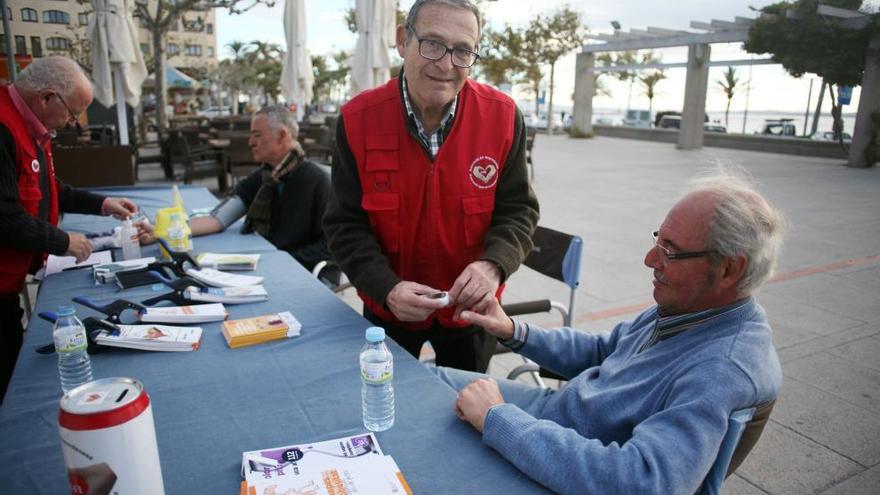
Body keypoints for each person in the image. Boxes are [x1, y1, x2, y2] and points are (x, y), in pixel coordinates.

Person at [439, 174, 785, 494]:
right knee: (431, 380)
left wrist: (499, 419)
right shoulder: (691, 309)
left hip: (563, 455)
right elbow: (603, 350)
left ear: (729, 269)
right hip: (552, 419)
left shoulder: (723, 368)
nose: (651, 260)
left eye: (671, 251)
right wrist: (514, 330)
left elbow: (642, 480)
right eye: (657, 241)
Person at [324, 0, 539, 373]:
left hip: (470, 312)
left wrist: (493, 265)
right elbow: (344, 224)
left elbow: (519, 211)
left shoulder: (502, 117)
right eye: (433, 44)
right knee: (387, 409)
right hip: (388, 310)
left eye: (463, 50)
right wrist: (386, 288)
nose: (446, 64)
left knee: (468, 412)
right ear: (403, 41)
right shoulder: (357, 119)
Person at [0, 57, 139, 403]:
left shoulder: (30, 127)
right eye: (72, 114)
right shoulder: (3, 128)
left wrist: (103, 204)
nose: (74, 124)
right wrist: (62, 241)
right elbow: (4, 217)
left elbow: (49, 189)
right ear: (47, 98)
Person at [151, 105, 332, 273]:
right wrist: (158, 232)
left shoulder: (319, 181)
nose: (250, 142)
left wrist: (284, 261)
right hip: (270, 261)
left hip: (303, 272)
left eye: (257, 135)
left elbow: (331, 244)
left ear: (283, 135)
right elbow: (218, 219)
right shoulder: (265, 176)